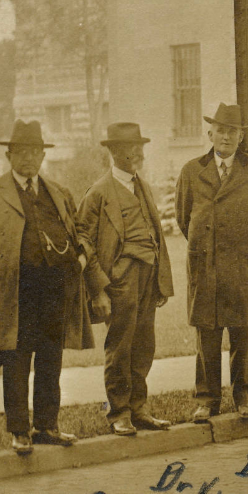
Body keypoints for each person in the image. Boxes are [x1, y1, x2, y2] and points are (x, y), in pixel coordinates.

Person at [0, 120, 98, 454]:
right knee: (17, 359)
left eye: (35, 151)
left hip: (55, 290)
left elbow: (81, 232)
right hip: (15, 292)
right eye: (21, 151)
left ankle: (47, 426)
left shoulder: (58, 192)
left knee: (51, 358)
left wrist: (78, 262)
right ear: (9, 155)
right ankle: (19, 430)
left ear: (42, 155)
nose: (29, 158)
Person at [176, 103, 248, 423]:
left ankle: (243, 395)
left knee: (242, 333)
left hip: (242, 266)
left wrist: (240, 249)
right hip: (206, 266)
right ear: (210, 134)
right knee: (206, 334)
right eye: (221, 130)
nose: (226, 137)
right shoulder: (192, 170)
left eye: (233, 132)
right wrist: (208, 248)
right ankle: (206, 400)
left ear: (240, 138)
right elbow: (183, 218)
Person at [77, 122, 175, 437]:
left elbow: (155, 234)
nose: (139, 153)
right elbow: (83, 240)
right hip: (120, 279)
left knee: (144, 343)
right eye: (132, 148)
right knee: (120, 345)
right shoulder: (99, 192)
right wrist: (98, 289)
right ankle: (118, 412)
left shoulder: (142, 186)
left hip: (148, 275)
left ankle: (139, 409)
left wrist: (160, 279)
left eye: (140, 147)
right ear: (116, 152)